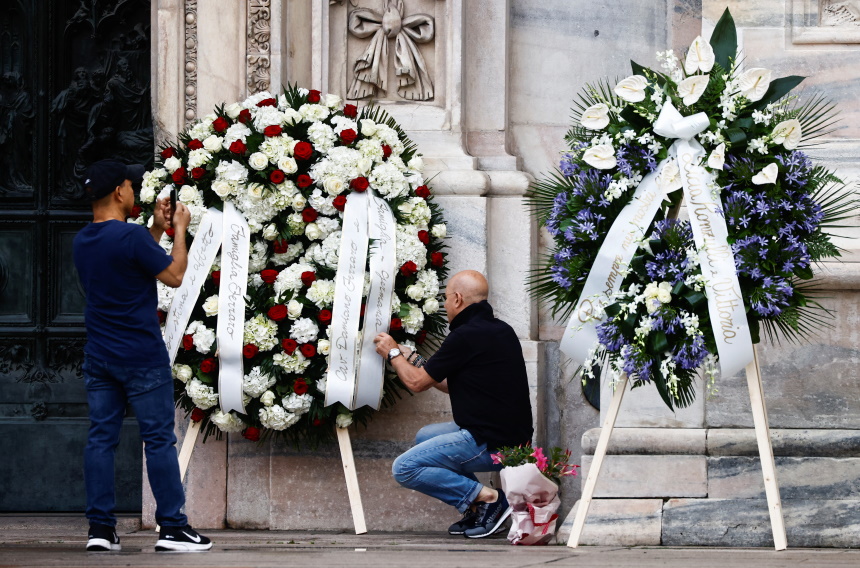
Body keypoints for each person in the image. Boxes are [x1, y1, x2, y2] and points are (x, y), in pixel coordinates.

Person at [73, 159, 212, 552]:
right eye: (131, 185)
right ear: (119, 192)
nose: (134, 191)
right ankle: (173, 527)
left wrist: (155, 228)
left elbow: (131, 259)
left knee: (101, 440)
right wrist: (179, 231)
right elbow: (174, 275)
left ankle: (100, 530)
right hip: (141, 356)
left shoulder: (83, 239)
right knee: (158, 440)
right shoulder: (130, 238)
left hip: (99, 356)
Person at [373, 270, 533, 538]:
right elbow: (449, 384)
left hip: (490, 442)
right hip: (512, 439)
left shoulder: (466, 335)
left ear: (457, 299)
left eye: (446, 298)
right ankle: (478, 507)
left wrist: (391, 353)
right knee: (425, 436)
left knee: (404, 468)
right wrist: (414, 361)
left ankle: (491, 499)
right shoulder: (500, 330)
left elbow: (416, 384)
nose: (445, 305)